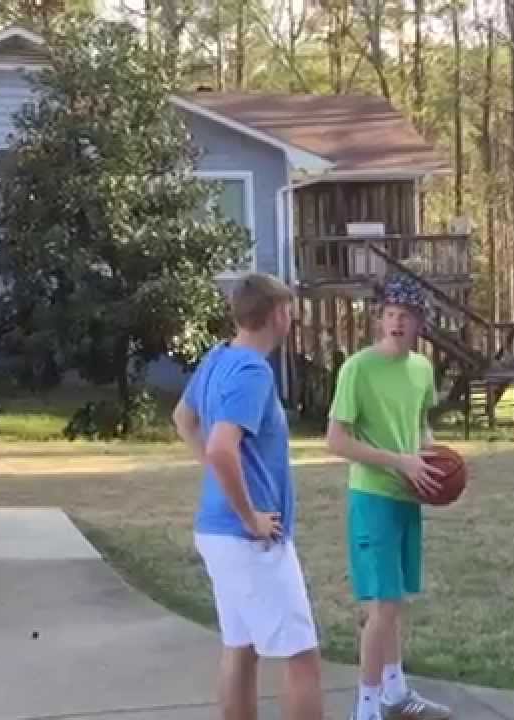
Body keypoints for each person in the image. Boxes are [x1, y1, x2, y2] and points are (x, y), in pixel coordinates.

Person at [173, 272, 323, 720]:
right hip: (248, 539)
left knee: (240, 647)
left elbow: (183, 419)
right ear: (277, 315)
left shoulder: (217, 358)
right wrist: (250, 516)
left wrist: (218, 476)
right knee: (302, 658)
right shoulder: (253, 372)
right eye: (289, 310)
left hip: (216, 533)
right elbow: (222, 447)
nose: (291, 318)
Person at [326, 272, 452, 720]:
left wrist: (435, 463)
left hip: (407, 497)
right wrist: (400, 462)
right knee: (382, 606)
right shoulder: (358, 369)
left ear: (420, 322)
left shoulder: (421, 369)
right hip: (372, 497)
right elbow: (336, 441)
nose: (397, 322)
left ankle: (395, 694)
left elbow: (420, 428)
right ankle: (365, 708)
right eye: (391, 314)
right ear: (380, 319)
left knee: (395, 601)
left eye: (407, 315)